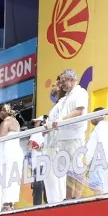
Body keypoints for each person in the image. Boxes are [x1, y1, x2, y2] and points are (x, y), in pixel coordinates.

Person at [44, 69, 90, 202]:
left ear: (72, 80)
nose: (62, 85)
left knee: (77, 166)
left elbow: (79, 111)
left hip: (75, 135)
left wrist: (61, 120)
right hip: (63, 137)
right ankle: (69, 197)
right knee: (68, 170)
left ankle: (78, 196)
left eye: (64, 81)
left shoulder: (80, 92)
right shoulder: (66, 97)